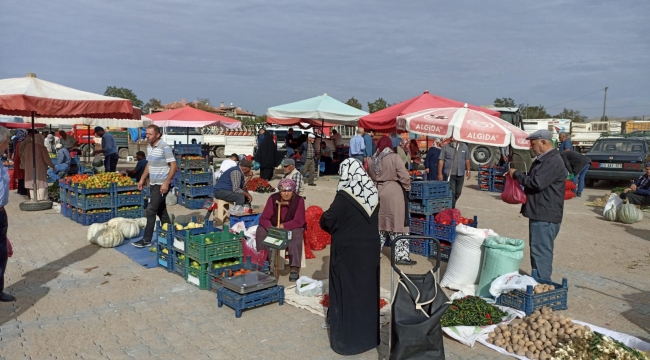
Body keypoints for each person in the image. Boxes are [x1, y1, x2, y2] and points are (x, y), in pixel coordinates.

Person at [320, 158, 380, 355]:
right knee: (367, 291)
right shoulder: (372, 192)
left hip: (348, 253)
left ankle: (348, 341)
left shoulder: (345, 196)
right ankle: (368, 338)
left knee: (347, 292)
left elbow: (328, 219)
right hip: (370, 251)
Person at [507, 129, 566, 281]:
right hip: (541, 211)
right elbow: (536, 179)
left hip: (545, 214)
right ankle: (537, 281)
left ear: (543, 142)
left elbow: (536, 183)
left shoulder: (552, 161)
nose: (530, 147)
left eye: (533, 144)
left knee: (541, 252)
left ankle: (542, 284)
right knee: (538, 250)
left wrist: (517, 175)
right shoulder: (545, 160)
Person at [367, 137, 414, 265]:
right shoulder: (394, 157)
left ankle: (373, 253)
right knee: (398, 223)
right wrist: (407, 188)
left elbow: (369, 176)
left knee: (380, 224)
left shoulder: (372, 159)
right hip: (394, 193)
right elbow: (404, 176)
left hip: (377, 193)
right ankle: (401, 256)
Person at [133, 125, 178, 248]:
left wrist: (167, 182)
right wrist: (142, 179)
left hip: (161, 184)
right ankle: (171, 234)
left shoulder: (164, 147)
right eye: (146, 134)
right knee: (161, 210)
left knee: (151, 210)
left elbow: (174, 166)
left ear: (158, 135)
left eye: (150, 134)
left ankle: (146, 239)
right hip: (153, 183)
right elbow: (149, 164)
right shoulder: (149, 147)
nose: (147, 136)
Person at [255, 178, 305, 282]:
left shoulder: (299, 200)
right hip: (273, 226)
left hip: (291, 226)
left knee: (296, 234)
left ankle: (294, 268)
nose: (286, 194)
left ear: (293, 190)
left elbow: (299, 221)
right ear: (279, 191)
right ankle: (265, 263)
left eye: (289, 190)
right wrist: (271, 228)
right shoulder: (273, 198)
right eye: (283, 191)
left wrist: (283, 226)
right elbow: (264, 218)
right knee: (260, 231)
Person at [0, 126, 14, 302]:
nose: (8, 144)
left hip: (1, 212)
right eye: (7, 141)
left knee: (2, 252)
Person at [21, 133, 56, 201]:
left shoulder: (27, 146)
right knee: (41, 183)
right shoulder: (41, 147)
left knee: (31, 183)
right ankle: (41, 199)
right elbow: (47, 159)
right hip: (40, 168)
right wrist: (52, 166)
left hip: (29, 168)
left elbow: (23, 156)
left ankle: (33, 198)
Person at [438, 137, 471, 208]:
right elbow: (441, 160)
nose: (452, 139)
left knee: (458, 192)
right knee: (451, 192)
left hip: (460, 173)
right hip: (450, 174)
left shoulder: (464, 147)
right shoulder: (446, 147)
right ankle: (452, 208)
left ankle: (452, 204)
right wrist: (440, 173)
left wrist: (468, 171)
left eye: (454, 138)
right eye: (451, 138)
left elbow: (467, 160)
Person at [12, 130, 28, 196]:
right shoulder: (23, 142)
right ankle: (22, 191)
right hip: (21, 160)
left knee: (20, 176)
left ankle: (20, 190)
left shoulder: (18, 141)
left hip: (17, 159)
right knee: (22, 175)